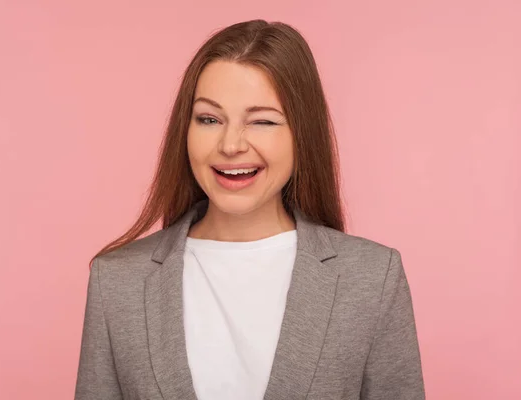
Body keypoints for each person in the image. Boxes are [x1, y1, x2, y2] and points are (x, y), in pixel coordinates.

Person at [74, 19, 425, 400]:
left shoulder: (373, 279)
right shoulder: (117, 282)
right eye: (209, 119)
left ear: (301, 134)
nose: (230, 144)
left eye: (262, 121)